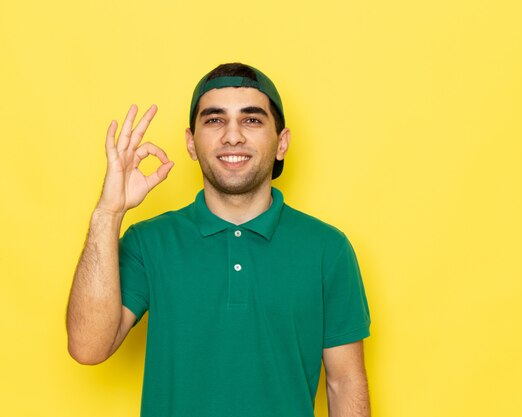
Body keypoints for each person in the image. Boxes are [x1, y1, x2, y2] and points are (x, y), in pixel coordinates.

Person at [66, 63, 372, 417]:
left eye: (252, 120)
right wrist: (108, 213)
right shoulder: (148, 242)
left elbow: (344, 381)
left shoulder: (326, 249)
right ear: (190, 143)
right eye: (214, 120)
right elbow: (88, 347)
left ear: (282, 143)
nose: (232, 136)